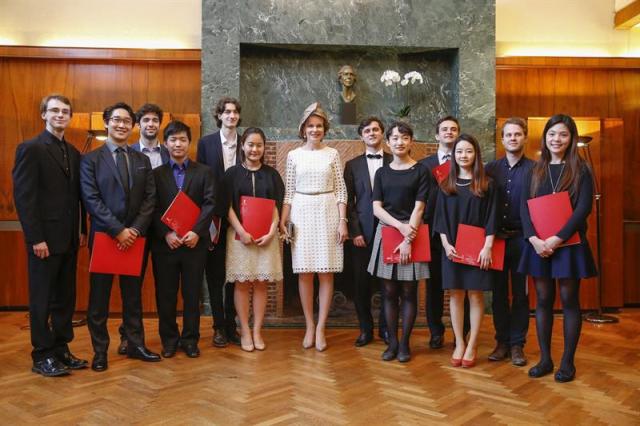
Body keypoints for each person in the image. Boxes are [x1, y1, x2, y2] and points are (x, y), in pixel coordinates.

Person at [80, 102, 160, 371]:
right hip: (105, 237)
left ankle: (135, 344)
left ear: (133, 126)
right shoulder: (91, 159)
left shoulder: (142, 160)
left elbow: (150, 198)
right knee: (99, 299)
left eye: (127, 121)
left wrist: (134, 230)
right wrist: (118, 230)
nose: (122, 125)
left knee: (133, 296)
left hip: (134, 239)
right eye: (116, 120)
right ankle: (100, 351)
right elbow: (91, 199)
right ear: (106, 122)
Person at [12, 94, 88, 376]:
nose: (60, 115)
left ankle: (61, 349)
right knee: (42, 299)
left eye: (65, 111)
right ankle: (41, 355)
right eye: (54, 110)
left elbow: (77, 198)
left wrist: (82, 230)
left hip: (69, 240)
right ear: (43, 114)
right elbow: (24, 198)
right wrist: (35, 239)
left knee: (64, 299)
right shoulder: (30, 148)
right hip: (43, 241)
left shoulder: (74, 152)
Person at [519, 114, 597, 383]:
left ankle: (567, 362)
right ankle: (545, 359)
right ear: (545, 137)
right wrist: (533, 239)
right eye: (552, 134)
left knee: (569, 300)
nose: (557, 139)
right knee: (541, 300)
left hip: (568, 244)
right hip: (538, 244)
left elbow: (583, 209)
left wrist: (557, 239)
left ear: (571, 138)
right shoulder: (534, 168)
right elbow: (523, 206)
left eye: (563, 135)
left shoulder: (581, 169)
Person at [279, 102, 348, 352]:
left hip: (327, 210)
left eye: (319, 126)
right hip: (301, 211)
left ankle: (321, 327)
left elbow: (341, 189)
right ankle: (309, 325)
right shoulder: (293, 155)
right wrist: (283, 221)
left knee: (325, 273)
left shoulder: (333, 154)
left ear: (324, 129)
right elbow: (288, 192)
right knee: (305, 272)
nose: (315, 130)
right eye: (311, 125)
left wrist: (343, 221)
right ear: (303, 128)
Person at [150, 120, 215, 358]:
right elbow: (151, 207)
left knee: (192, 294)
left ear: (190, 143)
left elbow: (210, 204)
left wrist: (197, 232)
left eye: (183, 139)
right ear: (165, 144)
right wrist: (165, 233)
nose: (178, 144)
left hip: (193, 245)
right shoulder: (156, 174)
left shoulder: (204, 172)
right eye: (173, 139)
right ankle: (168, 340)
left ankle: (190, 340)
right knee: (165, 295)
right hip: (165, 245)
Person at [367, 121, 430, 362]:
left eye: (404, 137)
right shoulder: (382, 172)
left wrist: (408, 235)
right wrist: (399, 227)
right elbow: (376, 208)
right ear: (388, 142)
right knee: (388, 291)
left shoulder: (421, 171)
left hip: (413, 232)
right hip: (389, 231)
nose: (399, 142)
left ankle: (405, 344)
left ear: (411, 141)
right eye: (394, 138)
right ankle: (391, 342)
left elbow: (420, 206)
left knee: (409, 291)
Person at [218, 127, 284, 352]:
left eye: (259, 145)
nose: (255, 149)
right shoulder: (231, 174)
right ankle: (244, 330)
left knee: (262, 283)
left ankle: (257, 330)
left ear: (264, 148)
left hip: (266, 237)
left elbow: (277, 205)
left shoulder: (272, 174)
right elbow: (226, 207)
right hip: (239, 238)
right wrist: (241, 231)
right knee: (242, 283)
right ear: (242, 146)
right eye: (250, 144)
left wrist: (272, 231)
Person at [434, 134, 497, 368]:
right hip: (451, 249)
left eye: (468, 151)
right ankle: (459, 342)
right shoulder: (445, 184)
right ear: (453, 155)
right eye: (459, 152)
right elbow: (439, 218)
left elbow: (492, 218)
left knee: (475, 295)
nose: (463, 156)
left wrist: (488, 247)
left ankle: (472, 344)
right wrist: (445, 244)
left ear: (476, 154)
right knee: (456, 294)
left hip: (479, 248)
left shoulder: (487, 184)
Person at [117, 103, 170, 356]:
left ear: (160, 124)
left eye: (155, 120)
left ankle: (168, 338)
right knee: (131, 286)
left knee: (164, 285)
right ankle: (128, 336)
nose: (151, 124)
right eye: (146, 120)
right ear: (139, 124)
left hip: (163, 231)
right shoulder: (128, 151)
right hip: (134, 230)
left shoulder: (170, 151)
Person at [485, 117, 534, 367]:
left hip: (523, 241)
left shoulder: (536, 169)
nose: (513, 138)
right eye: (508, 135)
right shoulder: (490, 169)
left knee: (521, 295)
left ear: (525, 137)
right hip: (496, 240)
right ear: (502, 139)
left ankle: (518, 345)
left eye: (517, 134)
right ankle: (502, 341)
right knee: (498, 295)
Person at [419, 116, 469, 349]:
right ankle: (436, 331)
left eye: (453, 129)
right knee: (435, 285)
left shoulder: (467, 162)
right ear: (437, 135)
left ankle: (465, 332)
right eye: (444, 130)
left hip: (462, 232)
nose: (449, 132)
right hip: (432, 232)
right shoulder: (425, 165)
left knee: (464, 283)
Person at [197, 97, 243, 347]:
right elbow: (200, 180)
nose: (231, 116)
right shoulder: (206, 143)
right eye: (227, 112)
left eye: (235, 112)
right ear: (219, 115)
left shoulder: (246, 142)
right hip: (214, 219)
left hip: (241, 219)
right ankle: (217, 327)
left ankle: (231, 325)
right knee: (215, 275)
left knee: (235, 275)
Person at [344, 117, 391, 346]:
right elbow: (348, 201)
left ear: (382, 133)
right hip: (362, 233)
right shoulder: (352, 165)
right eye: (367, 130)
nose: (371, 133)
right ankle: (365, 329)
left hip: (390, 233)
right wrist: (355, 232)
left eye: (375, 129)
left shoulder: (395, 160)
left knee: (388, 285)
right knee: (360, 284)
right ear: (361, 136)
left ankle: (386, 329)